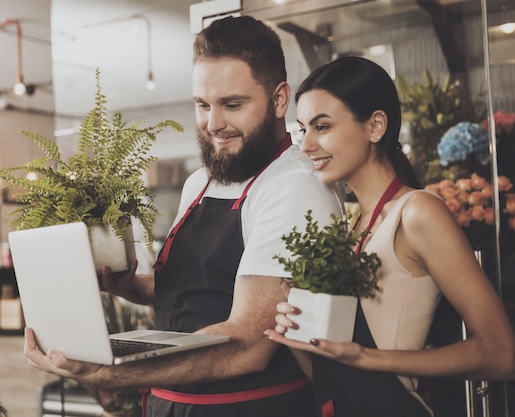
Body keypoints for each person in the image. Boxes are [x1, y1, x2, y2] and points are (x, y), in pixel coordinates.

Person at [23, 15, 342, 417]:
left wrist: (106, 371)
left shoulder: (295, 186)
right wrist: (133, 288)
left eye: (232, 104)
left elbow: (248, 345)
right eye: (202, 105)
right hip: (168, 404)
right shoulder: (200, 182)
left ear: (280, 100)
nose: (214, 124)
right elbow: (204, 292)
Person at [263, 56, 515, 417]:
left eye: (322, 127)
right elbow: (336, 377)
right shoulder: (350, 226)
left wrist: (367, 356)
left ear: (375, 126)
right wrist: (297, 334)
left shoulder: (417, 213)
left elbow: (501, 355)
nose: (305, 146)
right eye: (303, 129)